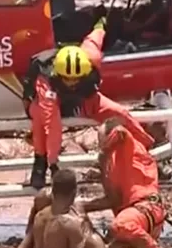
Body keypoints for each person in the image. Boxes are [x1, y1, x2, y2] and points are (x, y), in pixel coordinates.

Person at [18, 118, 172, 248]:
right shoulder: (111, 160)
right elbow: (113, 199)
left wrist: (104, 151)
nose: (100, 144)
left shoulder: (130, 146)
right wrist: (82, 206)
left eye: (101, 139)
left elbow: (121, 131)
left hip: (145, 208)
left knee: (118, 226)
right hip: (130, 217)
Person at [22, 16, 155, 190]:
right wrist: (53, 162)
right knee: (40, 118)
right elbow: (52, 124)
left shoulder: (91, 58)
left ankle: (149, 147)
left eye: (76, 79)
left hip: (85, 101)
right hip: (48, 105)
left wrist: (102, 22)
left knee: (120, 113)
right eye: (67, 79)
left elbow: (94, 38)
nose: (72, 82)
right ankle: (40, 163)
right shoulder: (45, 80)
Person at [14, 169, 114, 248]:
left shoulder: (38, 217)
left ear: (53, 191)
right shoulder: (71, 224)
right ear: (74, 193)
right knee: (95, 241)